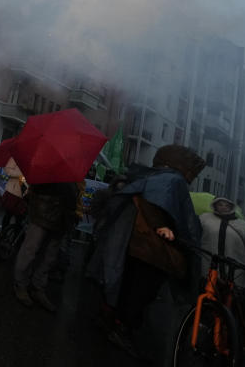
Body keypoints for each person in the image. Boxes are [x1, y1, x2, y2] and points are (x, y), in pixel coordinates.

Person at [87, 145, 205, 357]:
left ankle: (110, 320)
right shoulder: (172, 181)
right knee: (140, 292)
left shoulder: (147, 176)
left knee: (125, 284)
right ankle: (120, 328)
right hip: (151, 251)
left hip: (133, 246)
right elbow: (168, 213)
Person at [13, 182, 80, 311]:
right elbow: (36, 187)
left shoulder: (73, 176)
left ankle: (38, 287)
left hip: (62, 219)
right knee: (30, 250)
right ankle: (20, 284)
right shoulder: (47, 168)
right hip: (42, 213)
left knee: (49, 257)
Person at [199, 196, 245, 289]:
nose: (223, 207)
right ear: (215, 205)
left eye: (227, 205)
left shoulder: (244, 226)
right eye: (220, 204)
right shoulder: (204, 219)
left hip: (235, 276)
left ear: (231, 207)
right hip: (208, 271)